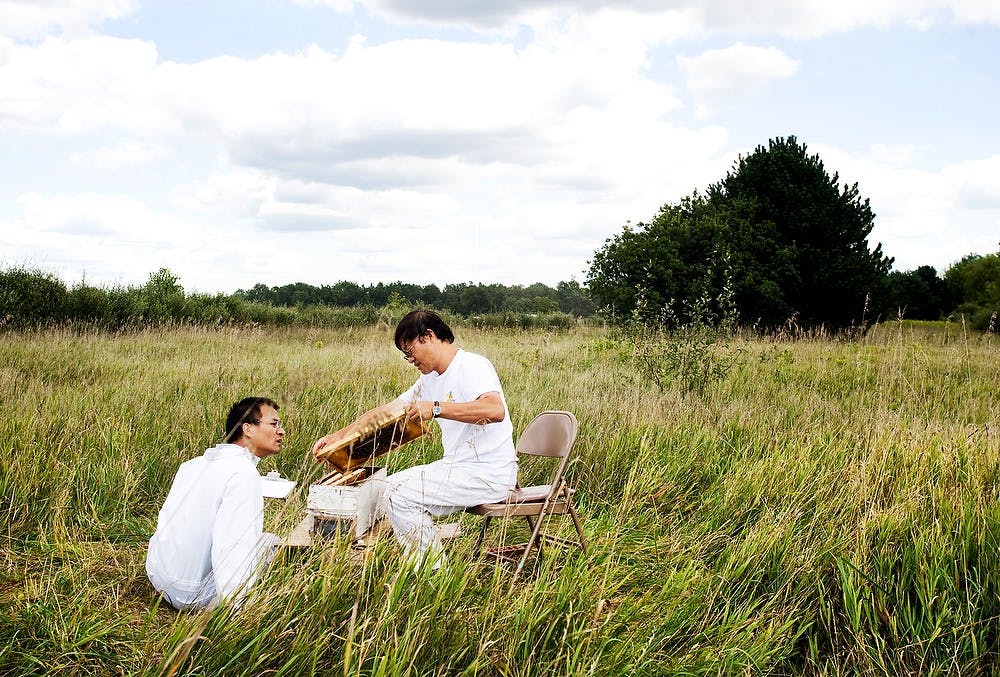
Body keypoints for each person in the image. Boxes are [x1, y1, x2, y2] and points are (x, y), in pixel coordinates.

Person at [311, 309, 517, 566]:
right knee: (387, 489)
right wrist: (338, 437)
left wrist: (437, 408)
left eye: (409, 351)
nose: (409, 359)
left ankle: (430, 572)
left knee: (399, 494)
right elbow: (385, 412)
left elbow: (494, 410)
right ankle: (426, 562)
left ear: (428, 336)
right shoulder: (428, 379)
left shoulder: (472, 365)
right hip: (457, 468)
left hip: (489, 473)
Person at [146, 397, 285, 611]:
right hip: (193, 595)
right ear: (247, 428)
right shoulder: (243, 475)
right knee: (271, 544)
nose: (281, 431)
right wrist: (235, 611)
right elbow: (233, 546)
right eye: (274, 424)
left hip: (160, 577)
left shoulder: (192, 465)